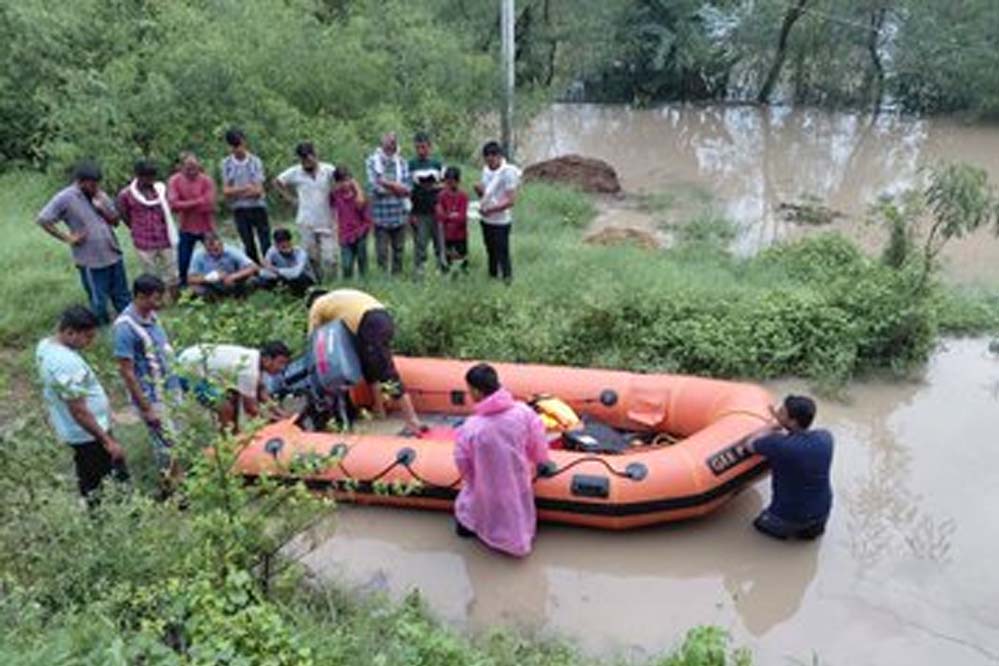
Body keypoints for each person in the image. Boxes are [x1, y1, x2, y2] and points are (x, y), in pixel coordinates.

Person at [453, 363, 550, 557]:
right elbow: (538, 442)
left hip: (487, 486)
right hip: (517, 479)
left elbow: (463, 462)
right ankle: (518, 540)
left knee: (467, 517)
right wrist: (541, 462)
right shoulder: (523, 412)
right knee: (517, 511)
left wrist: (473, 482)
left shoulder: (471, 428)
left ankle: (486, 534)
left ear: (477, 392)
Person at [37, 306, 128, 501]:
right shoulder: (65, 362)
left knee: (90, 478)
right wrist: (107, 441)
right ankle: (120, 513)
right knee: (111, 482)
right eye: (87, 337)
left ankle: (98, 510)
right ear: (70, 332)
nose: (90, 342)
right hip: (89, 435)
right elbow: (78, 411)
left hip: (80, 431)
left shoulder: (45, 346)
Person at [307, 289, 423, 433]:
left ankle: (412, 420)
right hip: (381, 317)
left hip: (370, 322)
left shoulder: (318, 305)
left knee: (386, 372)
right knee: (369, 366)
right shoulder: (339, 300)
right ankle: (379, 409)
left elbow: (314, 340)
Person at [37, 161, 130, 324]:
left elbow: (115, 221)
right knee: (98, 301)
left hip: (112, 253)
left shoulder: (100, 195)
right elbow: (43, 219)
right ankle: (101, 329)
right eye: (92, 184)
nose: (96, 187)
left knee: (122, 295)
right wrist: (67, 238)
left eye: (98, 184)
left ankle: (129, 324)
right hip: (90, 259)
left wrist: (102, 208)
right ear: (80, 182)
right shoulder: (65, 197)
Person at [112, 274, 182, 480]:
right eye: (156, 298)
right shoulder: (125, 328)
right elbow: (127, 371)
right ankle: (171, 484)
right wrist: (146, 407)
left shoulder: (151, 316)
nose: (160, 303)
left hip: (169, 387)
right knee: (166, 443)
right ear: (141, 297)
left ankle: (178, 477)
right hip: (152, 396)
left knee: (177, 438)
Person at [747, 395, 834, 540]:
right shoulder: (826, 438)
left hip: (787, 518)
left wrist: (771, 426)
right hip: (821, 516)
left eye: (781, 412)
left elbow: (749, 444)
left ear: (793, 421)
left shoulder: (778, 445)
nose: (777, 412)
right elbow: (798, 442)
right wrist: (782, 422)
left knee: (756, 530)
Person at [177, 341, 292, 433]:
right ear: (267, 359)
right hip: (188, 369)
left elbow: (261, 392)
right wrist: (279, 422)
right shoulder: (249, 370)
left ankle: (233, 435)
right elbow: (251, 409)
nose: (281, 368)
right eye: (280, 363)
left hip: (195, 362)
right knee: (225, 407)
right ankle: (227, 444)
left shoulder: (255, 358)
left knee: (234, 396)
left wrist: (282, 414)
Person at [273, 142, 337, 280]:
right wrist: (290, 199)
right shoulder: (295, 172)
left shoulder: (328, 169)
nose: (306, 162)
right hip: (306, 220)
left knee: (330, 257)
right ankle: (317, 280)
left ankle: (333, 282)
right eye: (303, 159)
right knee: (312, 256)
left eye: (308, 158)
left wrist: (337, 197)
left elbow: (342, 180)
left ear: (315, 155)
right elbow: (277, 182)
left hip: (326, 219)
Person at [116, 160, 179, 298]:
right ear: (138, 176)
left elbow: (168, 209)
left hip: (165, 237)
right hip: (143, 240)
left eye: (152, 176)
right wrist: (137, 228)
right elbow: (124, 215)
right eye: (147, 177)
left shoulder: (160, 190)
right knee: (150, 274)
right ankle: (155, 300)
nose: (151, 180)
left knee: (172, 272)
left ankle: (173, 299)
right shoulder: (126, 194)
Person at [168, 152, 217, 288]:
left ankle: (214, 283)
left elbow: (209, 204)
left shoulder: (206, 180)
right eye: (188, 168)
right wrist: (198, 201)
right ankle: (184, 287)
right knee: (183, 261)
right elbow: (173, 205)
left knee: (214, 255)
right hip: (186, 227)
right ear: (181, 167)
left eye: (195, 167)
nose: (192, 171)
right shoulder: (174, 181)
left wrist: (185, 204)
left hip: (207, 226)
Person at [474, 141, 521, 283]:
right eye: (487, 160)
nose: (490, 163)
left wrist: (491, 210)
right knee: (490, 251)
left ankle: (507, 280)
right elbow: (486, 194)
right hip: (486, 219)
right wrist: (479, 191)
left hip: (501, 221)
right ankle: (492, 278)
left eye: (492, 159)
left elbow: (511, 200)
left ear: (499, 156)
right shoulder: (486, 170)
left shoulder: (508, 173)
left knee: (502, 252)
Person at [221, 128, 270, 263]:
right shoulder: (226, 164)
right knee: (248, 243)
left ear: (244, 142)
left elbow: (258, 191)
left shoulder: (255, 161)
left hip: (258, 207)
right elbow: (226, 191)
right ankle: (253, 268)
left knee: (265, 241)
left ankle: (269, 267)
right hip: (239, 209)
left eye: (239, 144)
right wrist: (246, 188)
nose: (237, 149)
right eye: (233, 146)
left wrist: (235, 192)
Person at [365, 132, 410, 274]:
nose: (391, 145)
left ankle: (397, 277)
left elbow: (407, 189)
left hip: (399, 213)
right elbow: (374, 188)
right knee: (382, 252)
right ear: (382, 144)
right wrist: (397, 187)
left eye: (393, 142)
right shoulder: (372, 161)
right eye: (388, 142)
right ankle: (382, 277)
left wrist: (386, 183)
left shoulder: (402, 162)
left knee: (399, 250)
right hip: (380, 215)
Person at [408, 132, 445, 274]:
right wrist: (411, 212)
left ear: (430, 147)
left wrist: (434, 186)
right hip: (419, 209)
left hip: (436, 209)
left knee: (439, 241)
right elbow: (408, 189)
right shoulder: (411, 165)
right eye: (417, 147)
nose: (421, 151)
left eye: (423, 147)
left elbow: (445, 185)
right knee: (420, 242)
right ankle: (419, 269)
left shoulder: (437, 164)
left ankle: (441, 267)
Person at [187, 232, 260, 298]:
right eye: (209, 250)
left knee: (252, 280)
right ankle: (213, 297)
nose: (213, 254)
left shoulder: (232, 251)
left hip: (233, 282)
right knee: (195, 289)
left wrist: (233, 277)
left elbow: (254, 267)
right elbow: (190, 278)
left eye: (216, 250)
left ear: (221, 244)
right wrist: (209, 278)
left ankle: (239, 295)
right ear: (205, 248)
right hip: (211, 285)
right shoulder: (198, 255)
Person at [331, 166, 372, 279]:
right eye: (341, 181)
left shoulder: (359, 196)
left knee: (362, 261)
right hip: (345, 235)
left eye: (347, 180)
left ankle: (365, 283)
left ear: (351, 180)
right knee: (346, 265)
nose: (345, 184)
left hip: (360, 232)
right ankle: (348, 284)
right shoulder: (336, 195)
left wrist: (364, 231)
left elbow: (367, 216)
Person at [259, 227, 316, 296]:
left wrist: (276, 270)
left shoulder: (300, 253)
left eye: (285, 242)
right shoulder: (272, 251)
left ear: (290, 241)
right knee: (262, 280)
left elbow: (296, 273)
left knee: (297, 279)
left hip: (303, 277)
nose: (283, 245)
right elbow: (264, 272)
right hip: (282, 277)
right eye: (279, 243)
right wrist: (275, 274)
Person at [435, 166, 469, 273]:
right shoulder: (441, 196)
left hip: (460, 234)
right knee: (446, 261)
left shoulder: (463, 196)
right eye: (447, 182)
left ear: (458, 181)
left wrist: (447, 216)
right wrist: (452, 215)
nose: (450, 185)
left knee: (461, 261)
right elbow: (439, 216)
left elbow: (462, 218)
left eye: (452, 182)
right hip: (446, 234)